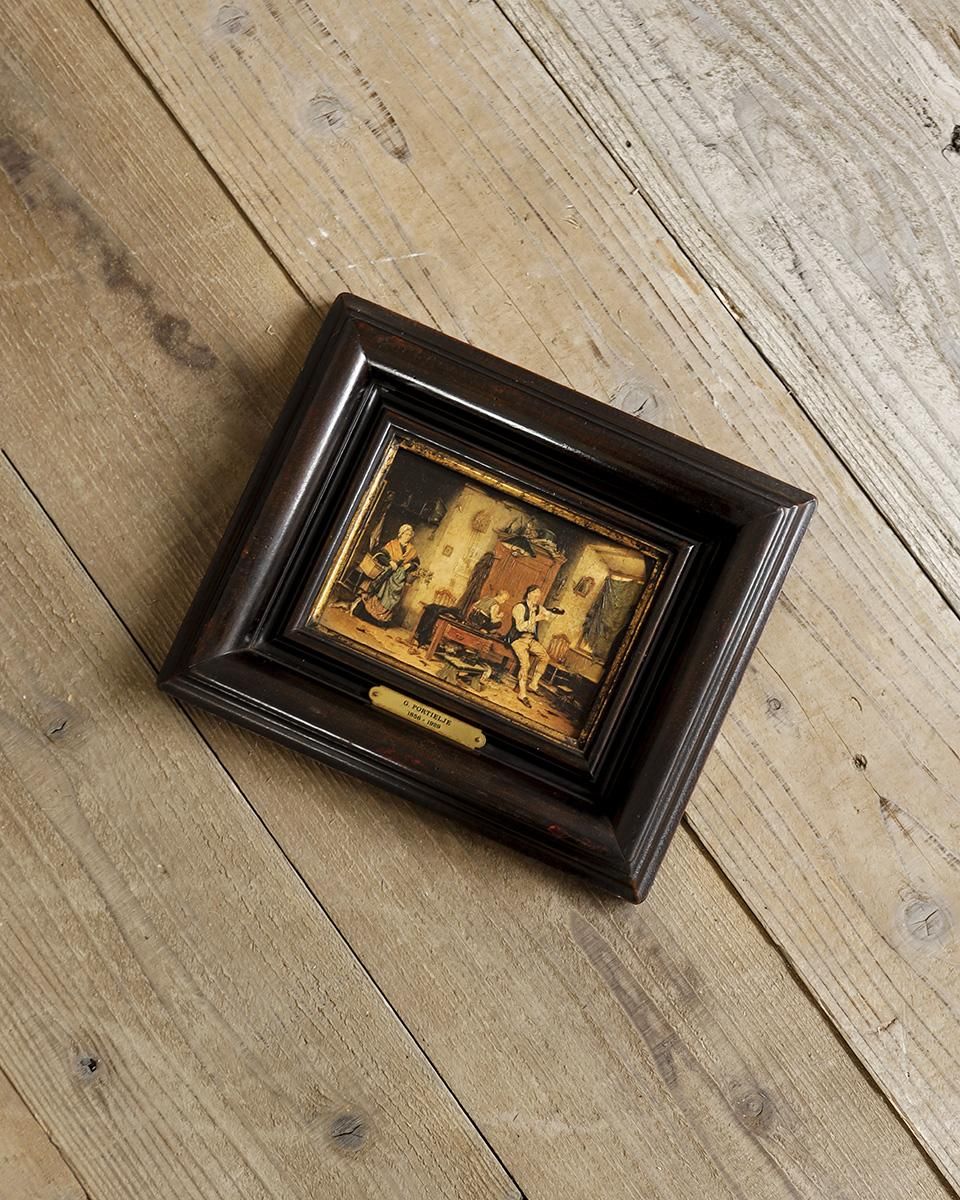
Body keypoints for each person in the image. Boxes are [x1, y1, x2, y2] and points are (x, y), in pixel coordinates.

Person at [504, 585, 564, 707]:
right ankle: (522, 694)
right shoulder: (519, 607)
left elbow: (548, 617)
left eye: (539, 595)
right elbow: (519, 627)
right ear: (529, 594)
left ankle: (533, 684)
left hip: (530, 639)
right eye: (535, 594)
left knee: (545, 658)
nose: (538, 597)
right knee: (526, 664)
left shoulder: (538, 608)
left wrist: (555, 611)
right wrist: (535, 619)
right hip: (518, 639)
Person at [354, 523, 419, 627]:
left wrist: (409, 565)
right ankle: (365, 614)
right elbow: (380, 555)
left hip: (398, 579)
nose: (408, 536)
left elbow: (416, 564)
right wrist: (390, 562)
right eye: (406, 534)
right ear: (401, 534)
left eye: (410, 535)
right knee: (377, 593)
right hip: (386, 574)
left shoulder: (412, 550)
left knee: (391, 600)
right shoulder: (392, 544)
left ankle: (380, 620)